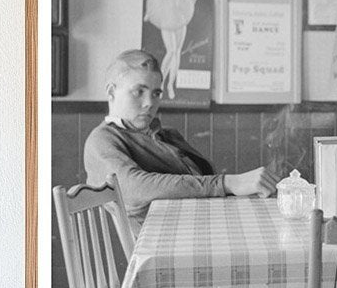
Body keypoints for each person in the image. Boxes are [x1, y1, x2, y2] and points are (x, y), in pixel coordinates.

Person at [84, 50, 277, 230]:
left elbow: (203, 178)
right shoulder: (102, 140)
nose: (150, 103)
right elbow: (132, 188)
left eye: (156, 93)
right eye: (138, 92)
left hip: (202, 227)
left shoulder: (166, 135)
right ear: (111, 92)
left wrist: (240, 189)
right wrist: (227, 183)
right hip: (164, 247)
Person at [144, 0, 196, 100]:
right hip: (167, 20)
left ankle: (170, 85)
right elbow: (154, 1)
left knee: (177, 52)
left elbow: (184, 2)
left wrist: (191, 0)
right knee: (171, 51)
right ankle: (160, 84)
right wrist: (149, 14)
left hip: (180, 20)